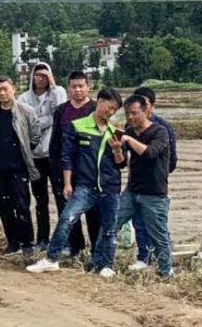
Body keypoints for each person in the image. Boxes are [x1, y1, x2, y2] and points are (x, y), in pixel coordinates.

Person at [28, 88, 125, 277]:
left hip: (110, 187)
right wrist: (67, 183)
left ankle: (105, 264)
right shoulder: (78, 126)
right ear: (100, 102)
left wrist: (117, 150)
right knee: (67, 218)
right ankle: (51, 259)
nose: (111, 112)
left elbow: (121, 164)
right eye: (109, 107)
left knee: (109, 228)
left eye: (115, 110)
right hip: (85, 186)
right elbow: (68, 156)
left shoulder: (115, 132)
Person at [0, 76, 40, 258]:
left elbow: (35, 135)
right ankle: (12, 242)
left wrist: (24, 152)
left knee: (22, 205)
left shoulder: (26, 111)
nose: (2, 93)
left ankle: (27, 243)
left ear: (14, 90)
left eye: (5, 89)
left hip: (19, 167)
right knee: (4, 206)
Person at [115, 94, 174, 278]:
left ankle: (166, 271)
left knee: (158, 235)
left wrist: (129, 140)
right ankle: (103, 262)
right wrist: (117, 149)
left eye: (134, 113)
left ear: (146, 111)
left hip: (154, 193)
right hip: (132, 190)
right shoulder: (129, 131)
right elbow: (121, 162)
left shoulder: (160, 131)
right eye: (127, 114)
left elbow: (149, 152)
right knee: (111, 223)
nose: (130, 117)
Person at [49, 71, 100, 258]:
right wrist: (56, 169)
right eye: (74, 86)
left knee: (94, 212)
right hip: (66, 169)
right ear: (68, 88)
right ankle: (75, 247)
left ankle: (96, 250)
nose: (77, 90)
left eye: (81, 86)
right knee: (68, 210)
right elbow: (55, 142)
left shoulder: (95, 109)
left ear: (88, 87)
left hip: (90, 169)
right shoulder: (61, 111)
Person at [17, 62, 66, 251]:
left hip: (54, 154)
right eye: (37, 75)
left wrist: (53, 85)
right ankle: (42, 239)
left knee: (61, 198)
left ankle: (63, 239)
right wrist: (47, 119)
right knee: (40, 200)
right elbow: (24, 122)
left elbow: (60, 113)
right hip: (35, 155)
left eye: (45, 75)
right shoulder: (24, 98)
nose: (40, 79)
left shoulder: (57, 93)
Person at [130, 85, 178, 271]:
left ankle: (165, 264)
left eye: (145, 104)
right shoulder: (131, 126)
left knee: (157, 225)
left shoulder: (163, 128)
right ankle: (144, 257)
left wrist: (159, 174)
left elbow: (172, 160)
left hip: (155, 184)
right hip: (137, 183)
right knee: (139, 222)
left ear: (152, 105)